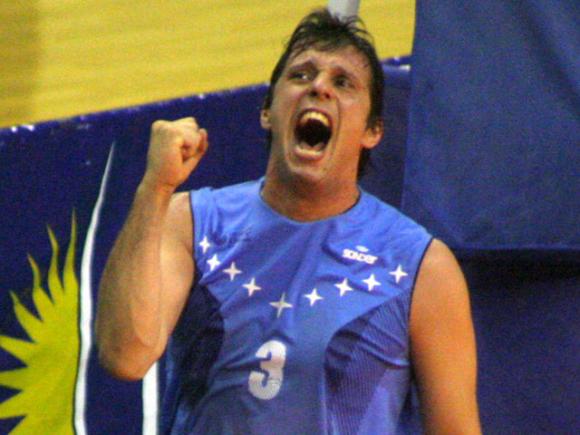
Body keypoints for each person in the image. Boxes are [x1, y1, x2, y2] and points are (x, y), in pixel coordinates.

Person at [96, 8, 481, 434]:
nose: (319, 87)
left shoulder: (421, 267)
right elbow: (125, 356)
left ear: (372, 131)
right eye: (301, 75)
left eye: (343, 82)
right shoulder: (189, 221)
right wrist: (155, 188)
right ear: (267, 111)